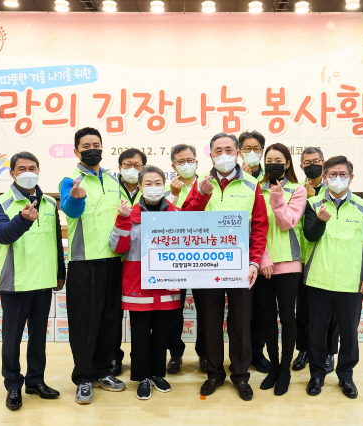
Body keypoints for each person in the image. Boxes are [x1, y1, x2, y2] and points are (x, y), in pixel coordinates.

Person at [109, 165, 213, 400]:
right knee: (140, 336)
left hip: (167, 287)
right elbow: (118, 247)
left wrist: (180, 276)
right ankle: (142, 377)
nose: (153, 187)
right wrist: (122, 221)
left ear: (164, 185)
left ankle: (157, 374)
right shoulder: (129, 213)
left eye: (158, 183)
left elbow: (186, 248)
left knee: (162, 335)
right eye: (148, 183)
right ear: (139, 186)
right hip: (138, 286)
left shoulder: (175, 213)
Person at [181, 132, 269, 401]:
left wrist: (254, 261)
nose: (223, 155)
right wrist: (201, 196)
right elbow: (185, 220)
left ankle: (240, 375)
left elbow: (259, 226)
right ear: (210, 155)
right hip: (207, 264)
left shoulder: (252, 185)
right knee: (210, 321)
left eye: (229, 150)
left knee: (241, 321)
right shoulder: (201, 184)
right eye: (218, 150)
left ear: (237, 153)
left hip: (240, 266)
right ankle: (214, 373)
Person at [0, 151, 65, 411]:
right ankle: (13, 385)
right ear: (12, 173)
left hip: (43, 280)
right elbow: (1, 235)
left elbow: (56, 240)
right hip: (16, 282)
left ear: (39, 171)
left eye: (33, 168)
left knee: (38, 338)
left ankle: (35, 380)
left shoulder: (50, 203)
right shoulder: (0, 203)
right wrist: (22, 219)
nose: (28, 172)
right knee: (12, 340)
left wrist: (60, 272)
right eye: (22, 169)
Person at [59, 127, 125, 405]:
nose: (92, 149)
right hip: (84, 263)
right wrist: (76, 198)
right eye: (86, 146)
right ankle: (84, 378)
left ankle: (103, 372)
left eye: (96, 144)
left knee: (110, 321)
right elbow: (70, 211)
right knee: (84, 324)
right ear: (76, 151)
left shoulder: (113, 180)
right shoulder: (70, 180)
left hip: (114, 261)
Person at [303, 155, 363, 399]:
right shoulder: (313, 203)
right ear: (324, 177)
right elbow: (309, 236)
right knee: (317, 332)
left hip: (350, 281)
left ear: (351, 177)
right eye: (332, 174)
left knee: (349, 334)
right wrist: (320, 222)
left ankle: (346, 376)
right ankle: (316, 375)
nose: (337, 179)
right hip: (319, 279)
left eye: (342, 174)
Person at [254, 143, 306, 396]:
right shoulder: (256, 188)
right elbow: (254, 226)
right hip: (263, 264)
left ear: (287, 163)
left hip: (289, 264)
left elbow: (287, 223)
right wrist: (263, 258)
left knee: (287, 317)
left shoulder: (297, 189)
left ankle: (285, 369)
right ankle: (273, 366)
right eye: (269, 160)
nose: (273, 164)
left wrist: (277, 197)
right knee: (267, 318)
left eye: (278, 160)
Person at [293, 147, 339, 373]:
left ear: (323, 162)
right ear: (301, 166)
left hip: (328, 257)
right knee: (303, 310)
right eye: (308, 162)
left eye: (317, 161)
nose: (312, 165)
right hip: (303, 258)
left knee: (331, 312)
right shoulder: (297, 190)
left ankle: (328, 352)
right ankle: (303, 350)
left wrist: (313, 199)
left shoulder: (333, 190)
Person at [164, 144, 207, 374]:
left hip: (204, 257)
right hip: (174, 258)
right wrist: (173, 194)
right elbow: (159, 221)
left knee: (206, 309)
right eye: (181, 162)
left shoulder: (207, 185)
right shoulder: (165, 190)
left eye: (190, 160)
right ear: (173, 166)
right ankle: (175, 354)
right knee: (174, 310)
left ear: (197, 162)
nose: (186, 165)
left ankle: (205, 354)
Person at [111, 148, 148, 376]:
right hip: (113, 256)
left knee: (141, 315)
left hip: (141, 261)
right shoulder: (110, 188)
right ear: (120, 167)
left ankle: (141, 358)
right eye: (127, 165)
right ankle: (114, 357)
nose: (132, 169)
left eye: (137, 165)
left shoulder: (152, 188)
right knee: (113, 313)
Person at [236, 130, 270, 374]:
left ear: (262, 151)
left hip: (261, 256)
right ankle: (236, 355)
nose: (251, 152)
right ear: (239, 152)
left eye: (256, 148)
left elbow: (263, 223)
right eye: (246, 148)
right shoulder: (233, 177)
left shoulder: (271, 179)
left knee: (259, 309)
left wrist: (261, 257)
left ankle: (257, 353)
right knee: (239, 313)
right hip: (233, 256)